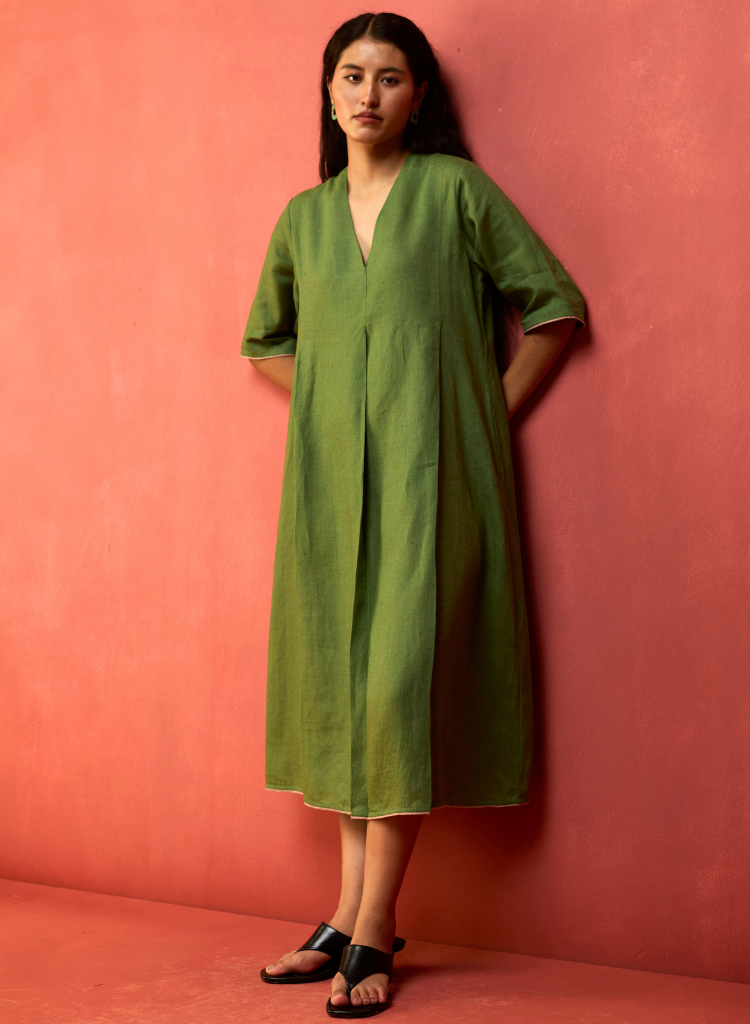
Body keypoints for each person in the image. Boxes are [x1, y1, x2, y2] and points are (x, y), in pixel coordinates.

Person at [241, 11, 586, 1018]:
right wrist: (332, 410)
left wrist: (478, 419)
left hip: (438, 486)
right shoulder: (303, 218)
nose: (368, 93)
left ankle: (373, 923)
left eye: (390, 77)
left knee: (395, 694)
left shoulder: (455, 192)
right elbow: (265, 342)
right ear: (328, 92)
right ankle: (351, 916)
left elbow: (554, 307)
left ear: (419, 95)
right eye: (351, 75)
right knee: (348, 697)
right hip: (326, 494)